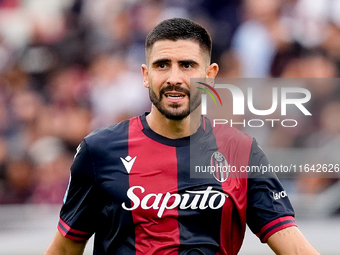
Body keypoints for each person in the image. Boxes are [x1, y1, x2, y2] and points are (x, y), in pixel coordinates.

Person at [44, 18, 319, 255]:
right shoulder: (99, 150)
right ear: (145, 74)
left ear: (209, 76)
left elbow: (293, 246)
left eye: (187, 65)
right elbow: (65, 248)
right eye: (162, 65)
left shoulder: (241, 151)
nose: (174, 77)